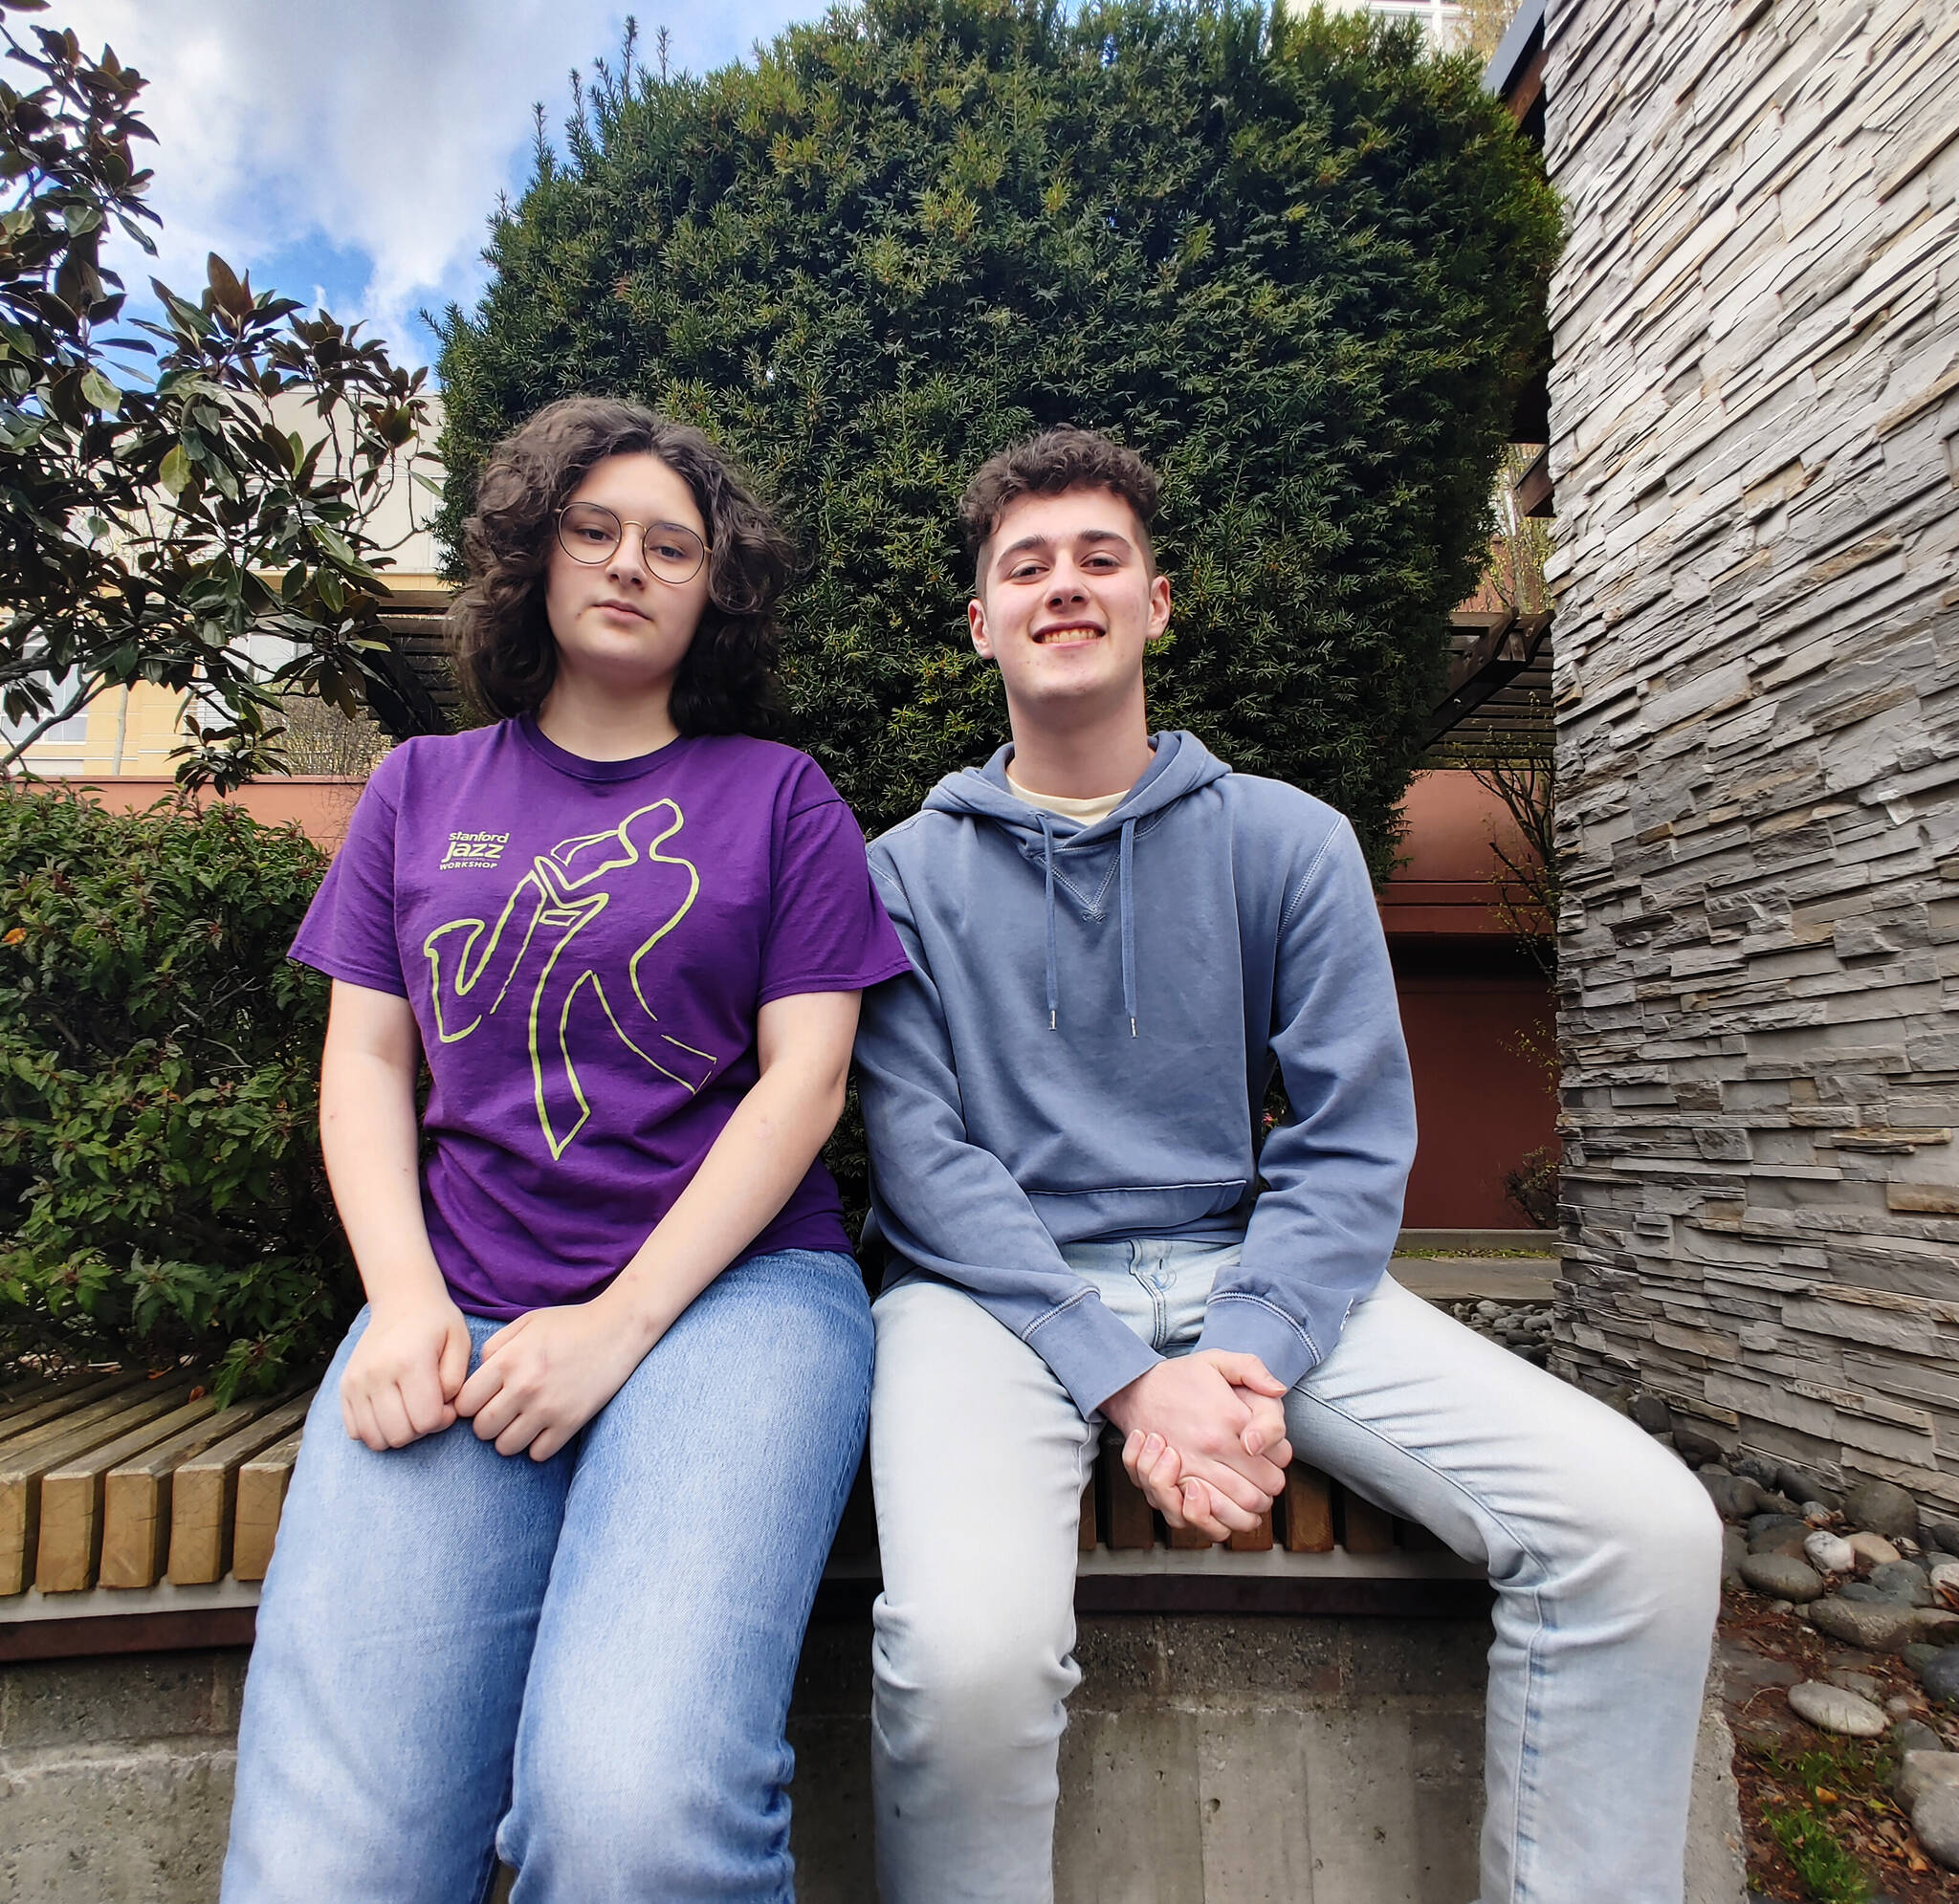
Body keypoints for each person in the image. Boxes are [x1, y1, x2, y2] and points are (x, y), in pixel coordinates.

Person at [854, 426, 1724, 1904]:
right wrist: (1128, 1378)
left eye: (1099, 559)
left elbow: (1349, 1137)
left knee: (1644, 1535)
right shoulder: (899, 875)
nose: (1064, 586)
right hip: (987, 1299)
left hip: (1246, 1272)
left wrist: (1240, 1355)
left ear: (1157, 602)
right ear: (982, 619)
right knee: (962, 1662)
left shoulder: (1289, 843)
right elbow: (920, 1160)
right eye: (1027, 566)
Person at [223, 397, 911, 1904]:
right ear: (534, 555)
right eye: (593, 530)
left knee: (630, 1817)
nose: (628, 564)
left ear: (711, 587)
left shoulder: (780, 800)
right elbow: (367, 1058)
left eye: (672, 544)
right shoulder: (418, 788)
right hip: (457, 1303)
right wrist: (401, 1301)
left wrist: (620, 1325)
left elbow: (805, 1084)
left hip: (733, 1308)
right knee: (327, 1863)